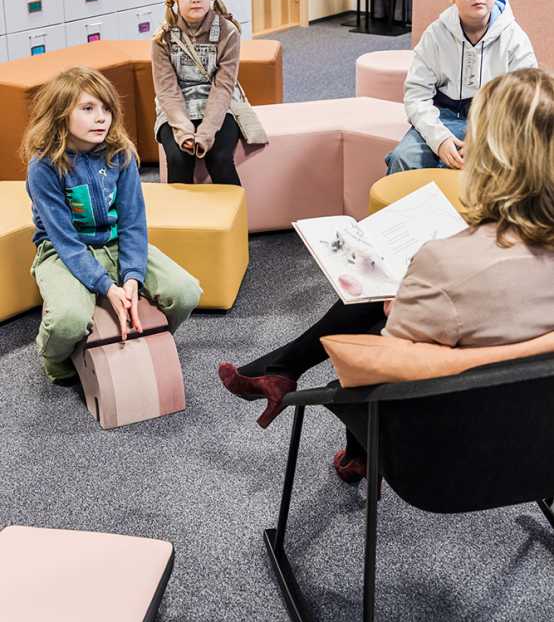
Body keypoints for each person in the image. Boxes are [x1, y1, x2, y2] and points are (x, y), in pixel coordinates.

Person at [219, 68, 554, 481]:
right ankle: (282, 369)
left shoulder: (446, 263)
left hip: (443, 447)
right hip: (536, 436)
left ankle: (294, 380)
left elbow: (380, 371)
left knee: (373, 310)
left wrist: (400, 307)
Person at [23, 66, 202, 383]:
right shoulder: (44, 165)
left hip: (116, 242)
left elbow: (134, 222)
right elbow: (64, 240)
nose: (101, 118)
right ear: (61, 114)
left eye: (106, 108)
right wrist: (105, 285)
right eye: (88, 108)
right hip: (63, 251)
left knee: (185, 292)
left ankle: (147, 335)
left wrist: (131, 278)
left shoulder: (121, 153)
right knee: (67, 321)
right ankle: (58, 361)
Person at [386, 0, 537, 174]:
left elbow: (526, 102)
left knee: (486, 170)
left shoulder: (515, 38)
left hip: (493, 123)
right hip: (443, 117)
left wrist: (485, 139)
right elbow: (416, 95)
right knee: (403, 159)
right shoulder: (435, 35)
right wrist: (440, 139)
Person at [152, 0, 243, 185]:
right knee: (178, 157)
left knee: (220, 157)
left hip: (218, 104)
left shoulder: (228, 32)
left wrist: (205, 133)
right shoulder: (162, 39)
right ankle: (182, 220)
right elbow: (167, 91)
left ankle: (234, 219)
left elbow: (223, 87)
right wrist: (184, 132)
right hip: (176, 107)